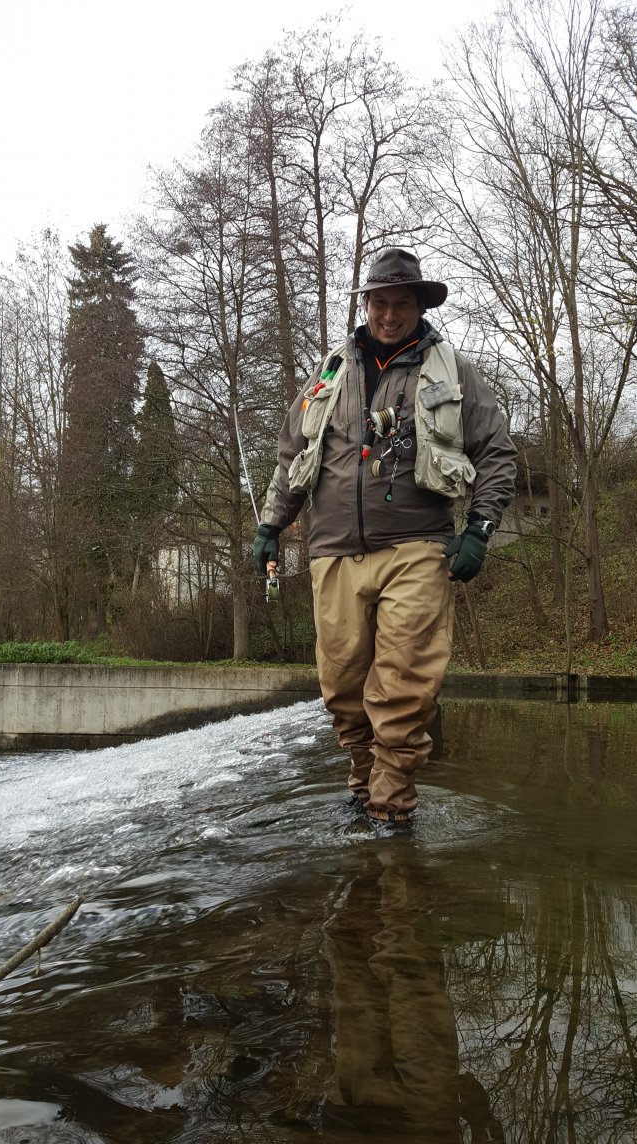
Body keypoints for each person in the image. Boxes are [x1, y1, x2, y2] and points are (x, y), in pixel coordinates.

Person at [254, 247, 517, 831]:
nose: (389, 314)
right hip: (333, 552)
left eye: (402, 303)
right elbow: (291, 456)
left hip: (418, 549)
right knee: (343, 688)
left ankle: (390, 810)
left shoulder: (453, 371)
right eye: (380, 302)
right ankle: (362, 784)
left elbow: (497, 454)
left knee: (402, 686)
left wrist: (479, 528)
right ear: (366, 304)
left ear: (420, 306)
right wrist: (271, 526)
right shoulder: (329, 371)